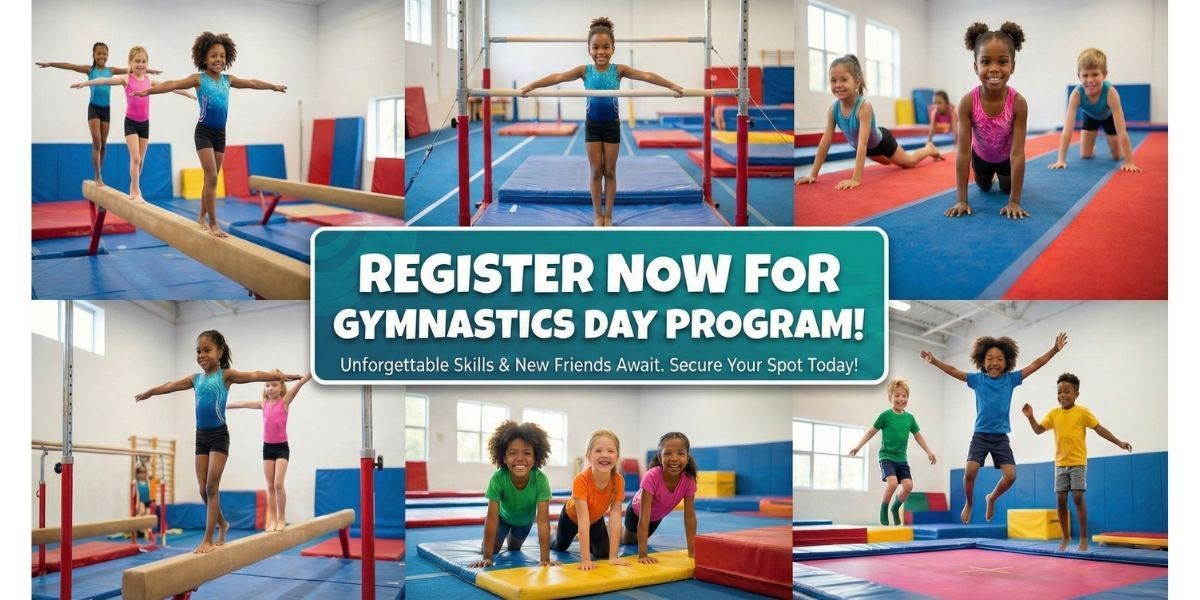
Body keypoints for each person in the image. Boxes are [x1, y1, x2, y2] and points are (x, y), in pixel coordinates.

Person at [134, 330, 300, 553]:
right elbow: (171, 385)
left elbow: (253, 375)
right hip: (200, 437)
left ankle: (208, 539)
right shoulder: (195, 379)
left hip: (219, 436)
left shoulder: (225, 376)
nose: (202, 354)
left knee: (212, 487)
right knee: (203, 489)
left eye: (207, 350)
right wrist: (152, 392)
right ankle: (223, 524)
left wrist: (280, 377)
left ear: (220, 353)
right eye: (198, 351)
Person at [520, 17, 683, 227]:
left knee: (610, 171)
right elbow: (558, 77)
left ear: (613, 49)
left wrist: (672, 85)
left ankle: (609, 215)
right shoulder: (584, 71)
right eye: (596, 47)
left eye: (606, 47)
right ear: (589, 50)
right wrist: (532, 85)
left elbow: (646, 76)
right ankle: (598, 215)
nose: (601, 52)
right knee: (596, 171)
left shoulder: (619, 70)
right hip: (593, 126)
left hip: (612, 125)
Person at [135, 32, 286, 237]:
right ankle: (214, 224)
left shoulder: (228, 80)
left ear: (227, 58)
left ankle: (201, 216)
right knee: (213, 176)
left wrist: (272, 87)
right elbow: (172, 84)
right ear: (204, 58)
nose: (218, 60)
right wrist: (148, 91)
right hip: (203, 133)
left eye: (222, 56)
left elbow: (252, 82)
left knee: (210, 179)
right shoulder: (199, 79)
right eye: (214, 55)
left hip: (220, 135)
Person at [921, 332, 1067, 523]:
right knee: (970, 471)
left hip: (1000, 438)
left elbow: (1035, 364)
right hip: (980, 436)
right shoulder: (977, 380)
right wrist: (935, 361)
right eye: (989, 359)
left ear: (1007, 363)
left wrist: (1055, 349)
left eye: (999, 359)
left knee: (1011, 476)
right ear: (982, 361)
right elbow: (953, 370)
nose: (994, 362)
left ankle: (992, 498)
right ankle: (970, 502)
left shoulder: (1010, 380)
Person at [795, 54, 940, 191]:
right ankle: (904, 155)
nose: (838, 84)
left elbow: (862, 144)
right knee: (888, 162)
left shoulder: (863, 107)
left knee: (909, 162)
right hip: (867, 149)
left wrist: (855, 179)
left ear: (857, 81)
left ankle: (929, 148)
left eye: (844, 79)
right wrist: (813, 174)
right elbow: (825, 141)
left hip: (882, 143)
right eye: (833, 80)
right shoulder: (833, 109)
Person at [1021, 372, 1132, 551]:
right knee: (1061, 501)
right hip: (1060, 464)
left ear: (1076, 394)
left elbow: (1099, 429)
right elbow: (1038, 430)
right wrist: (1030, 417)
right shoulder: (1053, 414)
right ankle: (1065, 537)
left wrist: (1118, 442)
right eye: (1059, 392)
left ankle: (1083, 538)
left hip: (1078, 462)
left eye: (1067, 391)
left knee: (1078, 497)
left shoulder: (1082, 412)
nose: (1062, 395)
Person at [71, 46, 195, 202]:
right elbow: (105, 80)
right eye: (137, 61)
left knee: (141, 160)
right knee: (135, 158)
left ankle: (133, 186)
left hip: (145, 124)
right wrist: (86, 83)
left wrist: (188, 94)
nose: (140, 64)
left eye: (143, 61)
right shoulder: (126, 79)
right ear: (130, 62)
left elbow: (171, 87)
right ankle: (136, 191)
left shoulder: (150, 80)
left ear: (147, 64)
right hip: (131, 123)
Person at [37, 42, 161, 186]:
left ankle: (100, 172)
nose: (101, 56)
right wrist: (51, 63)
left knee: (104, 145)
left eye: (104, 53)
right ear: (94, 55)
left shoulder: (111, 70)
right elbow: (70, 65)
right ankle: (97, 176)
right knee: (97, 142)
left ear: (107, 55)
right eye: (98, 53)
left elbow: (132, 69)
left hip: (106, 109)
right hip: (94, 108)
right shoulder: (90, 70)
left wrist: (149, 70)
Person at [946, 22, 1029, 218]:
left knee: (1005, 189)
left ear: (1012, 66)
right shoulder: (968, 102)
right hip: (981, 157)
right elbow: (964, 153)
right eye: (985, 62)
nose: (993, 69)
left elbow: (1017, 154)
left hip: (1006, 158)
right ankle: (987, 177)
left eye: (1002, 62)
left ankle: (1002, 179)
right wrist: (962, 199)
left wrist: (1015, 202)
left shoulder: (1018, 103)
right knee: (983, 187)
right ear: (976, 67)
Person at [228, 372, 312, 532]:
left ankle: (281, 518)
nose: (270, 388)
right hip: (267, 448)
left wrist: (313, 372)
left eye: (274, 384)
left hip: (281, 448)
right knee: (270, 487)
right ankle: (272, 520)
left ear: (281, 387)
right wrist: (225, 405)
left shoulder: (285, 402)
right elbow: (243, 403)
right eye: (267, 385)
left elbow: (299, 384)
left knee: (278, 484)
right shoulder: (263, 404)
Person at [468, 421, 559, 568]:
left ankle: (553, 531)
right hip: (503, 520)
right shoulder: (498, 478)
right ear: (504, 458)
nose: (520, 458)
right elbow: (491, 519)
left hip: (524, 523)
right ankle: (492, 543)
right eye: (512, 453)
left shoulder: (540, 480)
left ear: (535, 458)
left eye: (527, 453)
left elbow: (542, 521)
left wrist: (545, 559)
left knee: (514, 549)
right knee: (491, 549)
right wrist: (487, 557)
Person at [848, 379, 937, 525]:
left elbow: (917, 435)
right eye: (897, 396)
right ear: (890, 398)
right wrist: (858, 446)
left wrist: (928, 451)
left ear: (908, 398)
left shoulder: (910, 418)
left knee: (908, 486)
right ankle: (884, 509)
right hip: (886, 456)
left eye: (904, 396)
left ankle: (895, 507)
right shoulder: (885, 416)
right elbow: (871, 431)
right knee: (893, 483)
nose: (901, 399)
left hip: (901, 458)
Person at [1049, 48, 1141, 173]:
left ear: (1104, 74)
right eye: (1085, 75)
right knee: (1086, 155)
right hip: (1090, 117)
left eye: (1095, 74)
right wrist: (1061, 160)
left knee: (1117, 156)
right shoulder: (1076, 94)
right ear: (1079, 76)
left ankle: (1114, 149)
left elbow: (1121, 130)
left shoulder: (1111, 93)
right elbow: (1067, 129)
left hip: (1108, 118)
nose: (1090, 80)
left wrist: (1129, 161)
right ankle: (1092, 147)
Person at [551, 429, 629, 570]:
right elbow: (583, 521)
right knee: (559, 546)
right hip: (571, 518)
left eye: (610, 451)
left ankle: (590, 542)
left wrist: (614, 556)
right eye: (598, 451)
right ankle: (553, 532)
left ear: (617, 456)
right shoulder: (581, 480)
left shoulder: (618, 481)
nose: (604, 455)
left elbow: (616, 518)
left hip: (595, 519)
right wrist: (585, 559)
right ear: (589, 455)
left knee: (602, 553)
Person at [620, 432, 698, 562]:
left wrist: (692, 551)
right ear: (660, 458)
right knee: (627, 541)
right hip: (636, 513)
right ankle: (611, 528)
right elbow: (644, 515)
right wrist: (643, 555)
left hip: (656, 518)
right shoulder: (652, 476)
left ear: (687, 458)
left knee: (637, 540)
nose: (674, 458)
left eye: (680, 453)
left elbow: (689, 516)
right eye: (667, 453)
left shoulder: (689, 480)